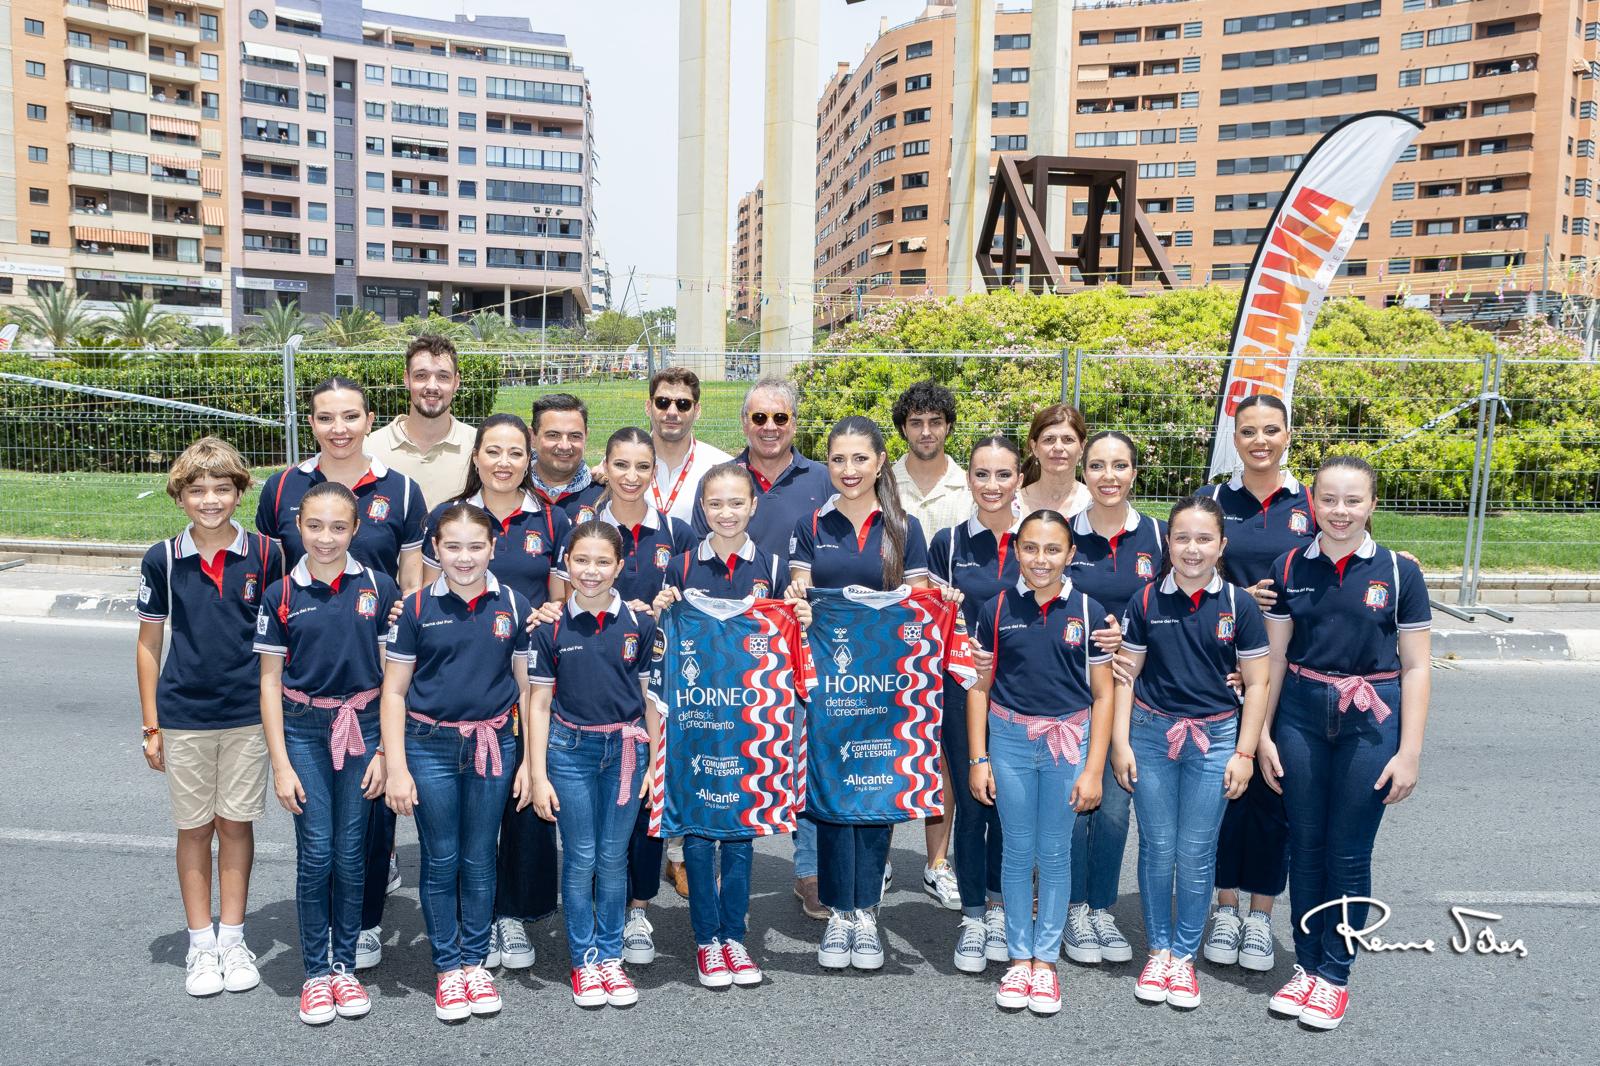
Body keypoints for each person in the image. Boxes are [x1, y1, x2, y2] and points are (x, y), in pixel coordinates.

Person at [256, 376, 426, 971]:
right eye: (326, 417)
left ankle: (357, 938)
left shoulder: (399, 491)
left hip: (371, 685)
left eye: (351, 415)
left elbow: (411, 582)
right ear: (312, 423)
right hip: (306, 697)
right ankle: (319, 961)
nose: (339, 427)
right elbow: (273, 574)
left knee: (358, 843)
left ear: (369, 418)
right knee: (321, 850)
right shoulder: (281, 488)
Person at [1259, 455, 1432, 1031]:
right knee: (1305, 846)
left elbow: (1416, 667)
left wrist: (1409, 752)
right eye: (1329, 499)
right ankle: (1306, 966)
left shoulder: (1400, 574)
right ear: (1312, 503)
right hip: (1301, 715)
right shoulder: (1290, 566)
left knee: (1349, 853)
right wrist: (1260, 732)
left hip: (1371, 720)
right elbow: (1276, 658)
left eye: (1353, 500)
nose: (1340, 511)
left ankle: (1336, 974)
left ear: (1372, 505)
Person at [421, 414, 571, 973]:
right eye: (493, 452)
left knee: (520, 802)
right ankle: (463, 921)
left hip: (526, 679)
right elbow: (423, 596)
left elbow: (560, 596)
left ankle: (509, 915)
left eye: (515, 452)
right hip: (464, 682)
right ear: (476, 457)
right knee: (466, 822)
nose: (504, 462)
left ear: (528, 458)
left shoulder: (550, 520)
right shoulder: (451, 518)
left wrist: (552, 612)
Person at [651, 463, 809, 989]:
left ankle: (734, 938)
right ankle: (705, 941)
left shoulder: (772, 566)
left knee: (739, 834)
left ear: (753, 506)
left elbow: (788, 637)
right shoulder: (678, 567)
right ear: (702, 509)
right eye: (715, 504)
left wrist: (798, 616)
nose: (726, 513)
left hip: (749, 724)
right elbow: (663, 643)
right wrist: (661, 610)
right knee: (697, 834)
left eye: (735, 503)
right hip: (696, 722)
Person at [136, 437, 284, 998]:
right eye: (197, 490)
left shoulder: (268, 554)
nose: (210, 499)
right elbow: (149, 644)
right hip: (185, 715)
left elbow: (278, 640)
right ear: (180, 497)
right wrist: (152, 725)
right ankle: (201, 945)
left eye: (222, 488)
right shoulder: (162, 558)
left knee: (236, 823)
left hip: (248, 714)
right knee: (194, 827)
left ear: (241, 492)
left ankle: (232, 937)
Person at [1111, 496, 1270, 1012]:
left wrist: (1245, 752)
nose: (1192, 548)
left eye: (1204, 539)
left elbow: (1259, 681)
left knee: (1196, 852)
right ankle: (1158, 951)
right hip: (1151, 737)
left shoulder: (1239, 606)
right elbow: (1125, 675)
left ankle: (1184, 958)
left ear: (1222, 546)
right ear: (1167, 544)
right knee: (1158, 848)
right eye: (1182, 538)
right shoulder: (1146, 601)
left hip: (1217, 740)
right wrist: (1119, 743)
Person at [788, 415, 935, 972]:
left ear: (880, 463)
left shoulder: (905, 528)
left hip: (885, 688)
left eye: (859, 459)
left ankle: (866, 913)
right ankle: (838, 911)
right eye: (838, 460)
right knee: (828, 798)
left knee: (873, 797)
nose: (849, 470)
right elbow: (797, 592)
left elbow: (919, 605)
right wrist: (798, 606)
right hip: (825, 686)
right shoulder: (809, 525)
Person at [382, 504, 534, 1024]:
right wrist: (397, 766)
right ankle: (447, 967)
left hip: (494, 746)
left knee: (480, 856)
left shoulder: (514, 604)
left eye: (475, 546)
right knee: (441, 856)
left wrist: (531, 763)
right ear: (435, 550)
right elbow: (394, 692)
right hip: (430, 747)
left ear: (493, 548)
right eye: (452, 547)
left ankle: (475, 962)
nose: (465, 558)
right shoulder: (417, 608)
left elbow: (527, 688)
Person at [255, 482, 399, 1025]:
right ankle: (316, 972)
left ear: (356, 529)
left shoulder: (379, 588)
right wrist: (281, 763)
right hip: (304, 730)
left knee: (351, 851)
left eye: (339, 527)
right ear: (298, 525)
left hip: (364, 726)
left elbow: (391, 680)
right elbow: (269, 683)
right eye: (315, 526)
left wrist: (386, 748)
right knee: (316, 852)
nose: (325, 537)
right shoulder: (281, 594)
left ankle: (344, 965)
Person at [966, 509, 1114, 1016]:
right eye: (1030, 548)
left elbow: (1104, 694)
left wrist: (1095, 767)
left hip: (1068, 742)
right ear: (1016, 553)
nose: (1041, 559)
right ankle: (1018, 957)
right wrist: (978, 757)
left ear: (1071, 555)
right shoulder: (996, 607)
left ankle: (1046, 962)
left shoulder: (1090, 613)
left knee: (1054, 853)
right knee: (1015, 850)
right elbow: (979, 687)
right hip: (1008, 741)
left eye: (1053, 550)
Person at [693, 377, 832, 918]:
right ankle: (720, 866)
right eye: (758, 418)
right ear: (744, 422)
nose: (769, 427)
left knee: (805, 758)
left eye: (780, 418)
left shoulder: (823, 478)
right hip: (729, 655)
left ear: (794, 422)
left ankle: (809, 870)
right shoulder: (721, 479)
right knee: (729, 758)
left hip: (802, 639)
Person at [555, 426, 694, 964]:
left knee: (643, 806)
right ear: (604, 468)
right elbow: (561, 601)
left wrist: (669, 605)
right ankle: (592, 922)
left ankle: (637, 910)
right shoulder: (581, 526)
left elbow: (687, 603)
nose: (632, 477)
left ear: (654, 471)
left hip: (651, 689)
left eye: (643, 467)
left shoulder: (675, 533)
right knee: (595, 829)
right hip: (591, 688)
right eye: (621, 465)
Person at [521, 521, 664, 1009]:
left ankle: (610, 957)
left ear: (620, 567)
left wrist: (652, 762)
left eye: (603, 561)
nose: (591, 571)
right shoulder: (551, 626)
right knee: (581, 856)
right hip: (569, 752)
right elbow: (538, 704)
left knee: (613, 856)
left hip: (626, 751)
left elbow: (651, 700)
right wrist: (538, 774)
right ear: (566, 566)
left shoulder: (641, 625)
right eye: (581, 560)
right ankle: (584, 959)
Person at [1199, 394, 1315, 972]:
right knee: (1226, 792)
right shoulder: (1214, 500)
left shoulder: (1313, 502)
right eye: (1249, 430)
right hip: (1223, 673)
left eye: (1271, 429)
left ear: (1288, 433)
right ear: (1235, 436)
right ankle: (1223, 909)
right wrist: (1237, 600)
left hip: (1290, 674)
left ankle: (1260, 916)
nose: (1260, 440)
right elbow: (1187, 571)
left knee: (1275, 797)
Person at [1046, 429, 1158, 966]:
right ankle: (1070, 908)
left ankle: (1101, 908)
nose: (1108, 476)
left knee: (1114, 808)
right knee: (1074, 805)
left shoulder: (1158, 538)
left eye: (1120, 466)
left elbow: (1179, 613)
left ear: (1135, 472)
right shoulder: (1063, 536)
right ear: (1083, 473)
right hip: (1072, 697)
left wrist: (1134, 638)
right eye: (1098, 466)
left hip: (1134, 696)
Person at [926, 435, 1020, 973]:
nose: (991, 485)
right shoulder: (949, 542)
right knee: (969, 793)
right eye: (981, 474)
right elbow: (931, 618)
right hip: (962, 689)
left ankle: (1001, 906)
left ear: (1018, 480)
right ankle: (972, 917)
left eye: (1002, 475)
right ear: (970, 480)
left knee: (1007, 799)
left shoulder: (1038, 534)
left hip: (1023, 690)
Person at [889, 380, 974, 910]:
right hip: (890, 641)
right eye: (916, 422)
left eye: (935, 422)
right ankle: (875, 864)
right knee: (888, 752)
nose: (926, 431)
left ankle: (938, 862)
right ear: (903, 428)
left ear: (947, 427)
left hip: (953, 644)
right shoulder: (881, 480)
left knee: (947, 755)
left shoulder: (970, 485)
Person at [366, 335, 478, 510]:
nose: (432, 386)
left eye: (443, 377)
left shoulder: (478, 447)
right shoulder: (370, 449)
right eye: (421, 376)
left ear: (456, 382)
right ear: (406, 379)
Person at [646, 366, 734, 527]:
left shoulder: (722, 467)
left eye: (683, 404)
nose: (672, 412)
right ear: (648, 407)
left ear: (697, 411)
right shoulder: (621, 465)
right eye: (662, 402)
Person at [530, 392, 605, 521]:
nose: (564, 446)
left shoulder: (604, 496)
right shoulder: (513, 490)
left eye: (575, 436)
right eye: (553, 435)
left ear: (586, 436)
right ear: (532, 437)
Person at [1014, 404, 1091, 519]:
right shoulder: (1015, 505)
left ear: (1082, 447)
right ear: (1034, 447)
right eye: (1049, 439)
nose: (1058, 447)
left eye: (1068, 439)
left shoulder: (1093, 503)